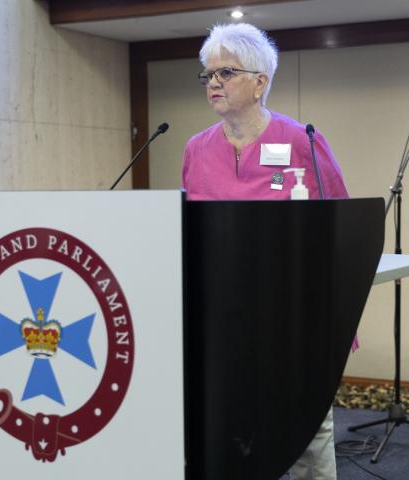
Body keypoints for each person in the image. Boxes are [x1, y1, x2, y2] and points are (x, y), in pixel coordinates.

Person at [181, 23, 348, 480]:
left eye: (226, 72)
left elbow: (339, 229)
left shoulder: (302, 142)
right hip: (221, 323)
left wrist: (338, 321)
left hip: (291, 319)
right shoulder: (196, 149)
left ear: (260, 82)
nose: (213, 82)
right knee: (229, 429)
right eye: (208, 74)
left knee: (306, 432)